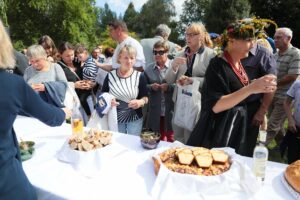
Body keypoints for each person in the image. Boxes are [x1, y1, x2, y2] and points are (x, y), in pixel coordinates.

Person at [0, 19, 70, 200]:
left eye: (36, 60)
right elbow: (22, 92)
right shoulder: (20, 77)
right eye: (30, 61)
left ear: (45, 57)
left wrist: (46, 87)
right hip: (7, 182)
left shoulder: (56, 67)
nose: (33, 64)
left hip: (48, 111)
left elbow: (64, 86)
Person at [187, 21, 277, 156]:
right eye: (248, 40)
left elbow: (235, 90)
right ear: (232, 41)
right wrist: (251, 88)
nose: (253, 44)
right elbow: (216, 105)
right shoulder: (217, 65)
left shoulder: (237, 63)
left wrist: (257, 86)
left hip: (235, 128)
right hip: (219, 133)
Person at [165, 22, 215, 143]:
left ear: (201, 36)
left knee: (191, 138)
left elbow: (213, 81)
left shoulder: (210, 55)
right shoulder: (180, 54)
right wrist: (174, 66)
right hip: (180, 101)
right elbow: (168, 80)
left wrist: (192, 80)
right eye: (186, 34)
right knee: (178, 136)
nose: (188, 37)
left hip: (198, 103)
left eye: (192, 34)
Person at [101, 45, 148, 135]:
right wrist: (108, 101)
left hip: (135, 118)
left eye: (132, 58)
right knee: (117, 145)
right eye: (126, 58)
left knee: (133, 145)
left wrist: (140, 102)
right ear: (120, 58)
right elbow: (103, 95)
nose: (129, 61)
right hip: (115, 119)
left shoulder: (140, 76)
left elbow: (145, 97)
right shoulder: (110, 76)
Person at [266, 28, 300, 146]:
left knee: (272, 124)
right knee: (277, 125)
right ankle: (283, 146)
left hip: (286, 96)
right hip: (272, 94)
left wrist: (273, 84)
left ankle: (258, 149)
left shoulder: (295, 53)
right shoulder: (275, 55)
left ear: (289, 38)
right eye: (275, 37)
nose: (275, 40)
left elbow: (293, 76)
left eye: (279, 37)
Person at [144, 41, 175, 142]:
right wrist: (151, 87)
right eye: (155, 52)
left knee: (172, 138)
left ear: (167, 52)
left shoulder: (174, 66)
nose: (157, 55)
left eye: (161, 52)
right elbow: (142, 87)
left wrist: (169, 87)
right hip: (155, 111)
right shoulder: (148, 68)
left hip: (171, 109)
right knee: (157, 138)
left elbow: (181, 85)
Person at [57, 42, 91, 116]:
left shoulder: (78, 61)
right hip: (74, 102)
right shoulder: (58, 67)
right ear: (60, 55)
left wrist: (90, 82)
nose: (71, 58)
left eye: (72, 54)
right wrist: (74, 85)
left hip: (87, 96)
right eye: (67, 56)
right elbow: (58, 84)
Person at [282, 80, 300, 163]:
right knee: (293, 161)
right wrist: (290, 120)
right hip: (296, 129)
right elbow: (286, 103)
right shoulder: (297, 84)